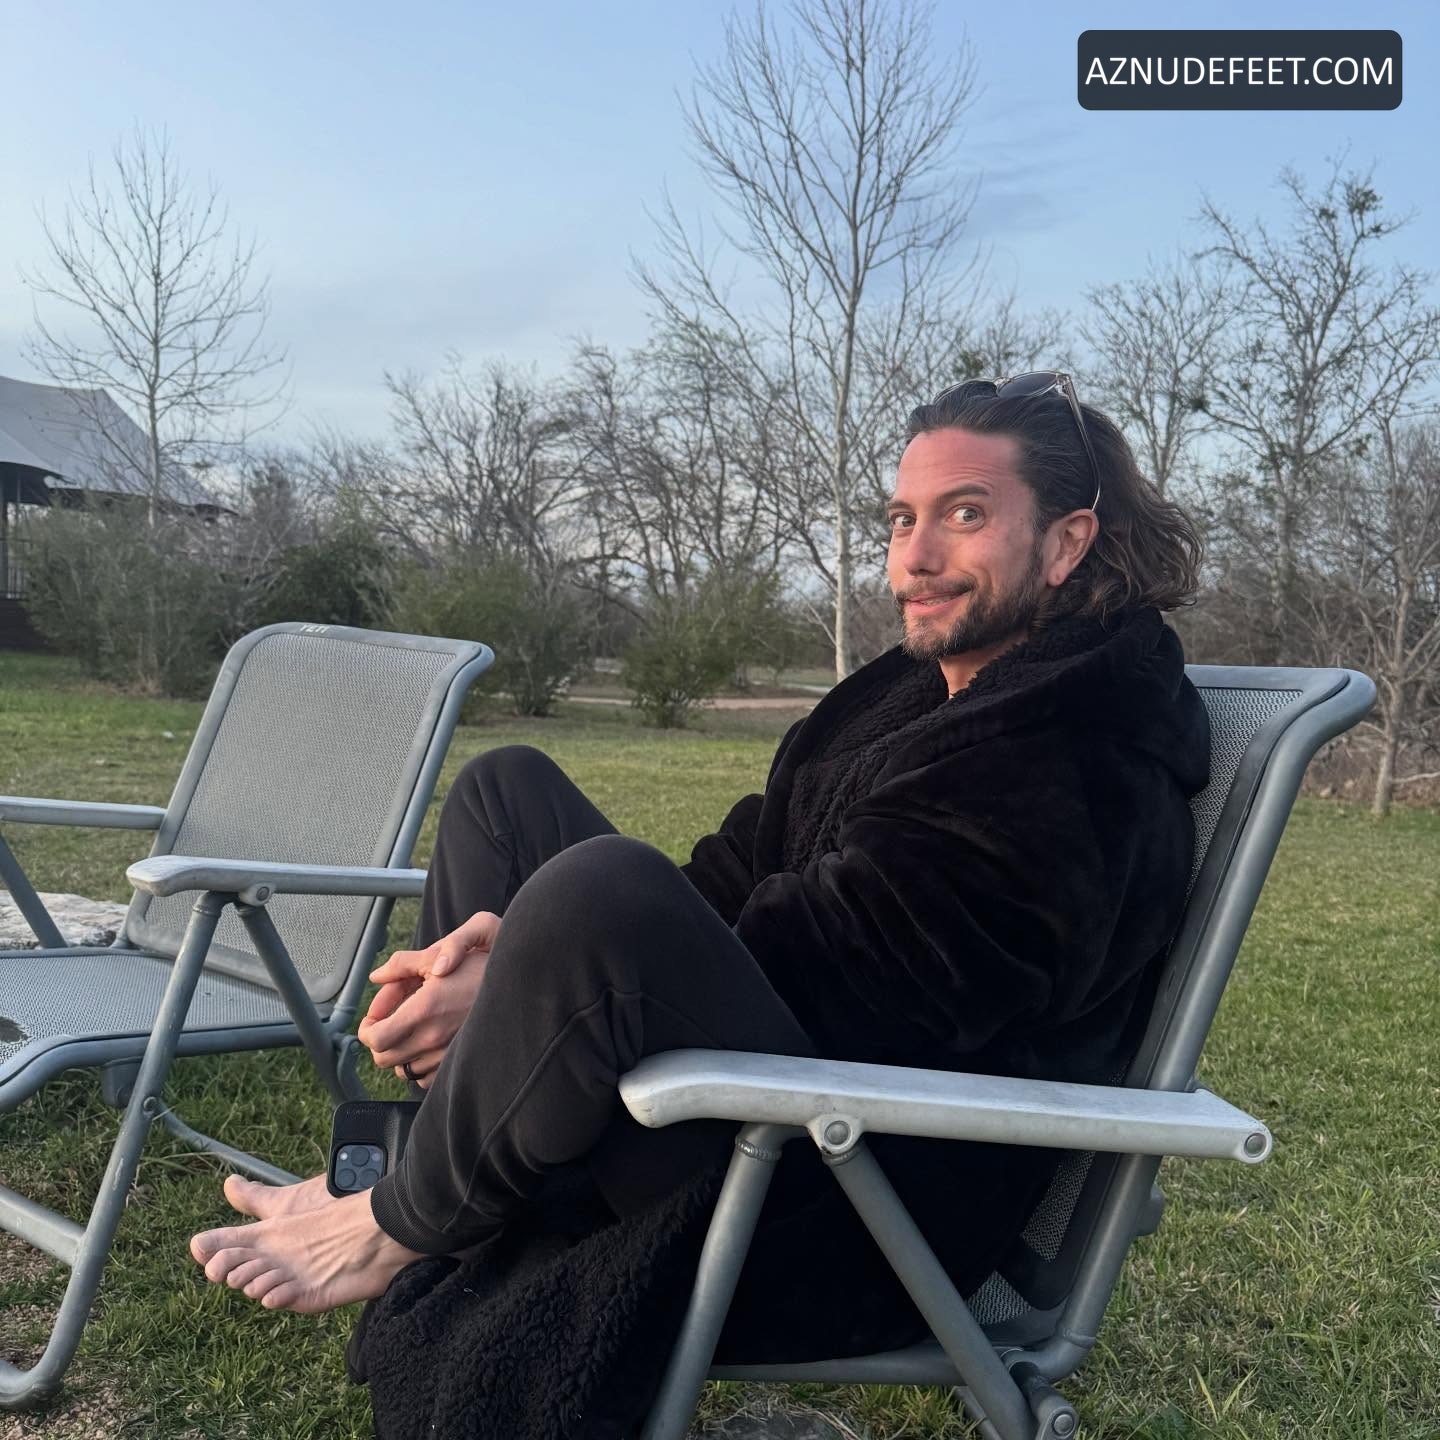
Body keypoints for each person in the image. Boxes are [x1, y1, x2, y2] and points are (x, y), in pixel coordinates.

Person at [190, 373, 1209, 1352]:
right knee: (507, 798)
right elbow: (740, 870)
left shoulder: (1079, 755)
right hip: (762, 1113)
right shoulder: (920, 698)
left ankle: (410, 1218)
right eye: (902, 520)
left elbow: (871, 996)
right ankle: (456, 1152)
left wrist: (535, 979)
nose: (915, 557)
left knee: (602, 897)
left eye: (966, 515)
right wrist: (525, 961)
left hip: (838, 1206)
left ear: (1067, 541)